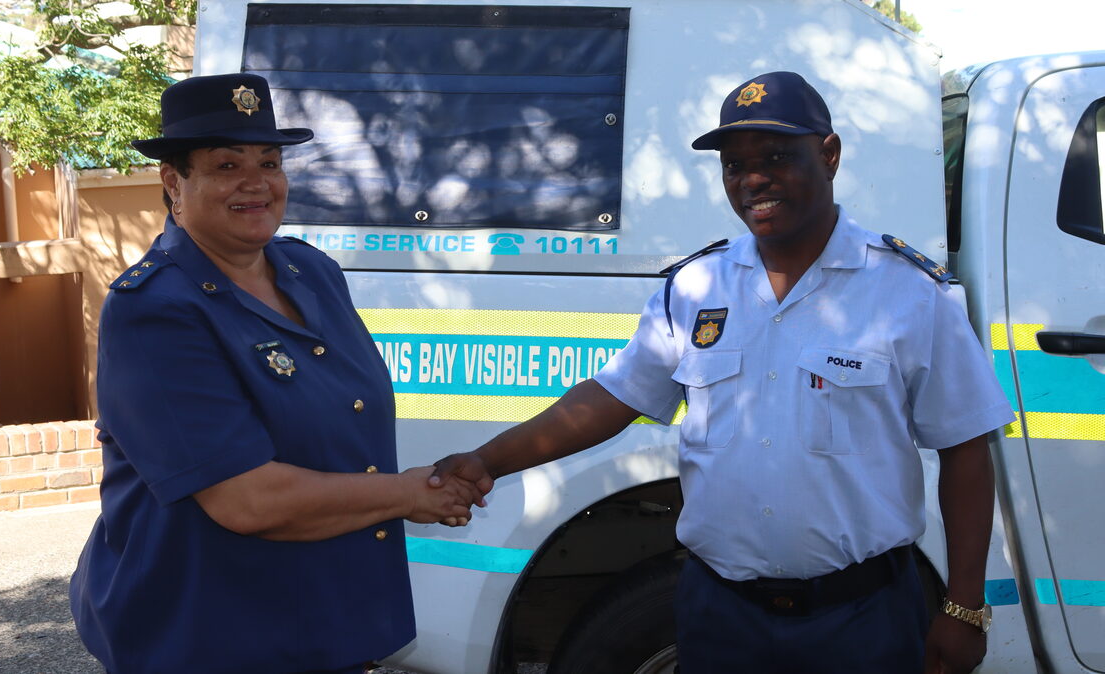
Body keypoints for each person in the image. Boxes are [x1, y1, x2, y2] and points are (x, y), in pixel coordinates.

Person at [431, 71, 1016, 674]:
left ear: (830, 154)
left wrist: (964, 607)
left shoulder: (909, 292)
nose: (752, 179)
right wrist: (487, 461)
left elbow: (966, 452)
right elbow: (613, 396)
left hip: (862, 617)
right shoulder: (697, 286)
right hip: (720, 614)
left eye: (776, 157)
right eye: (734, 166)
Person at [69, 73, 480, 674]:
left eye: (269, 161)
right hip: (209, 634)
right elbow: (247, 499)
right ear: (174, 182)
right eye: (226, 165)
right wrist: (411, 493)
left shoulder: (311, 272)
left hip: (324, 619)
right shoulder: (153, 309)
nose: (256, 183)